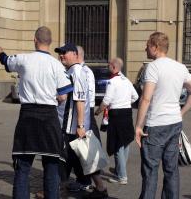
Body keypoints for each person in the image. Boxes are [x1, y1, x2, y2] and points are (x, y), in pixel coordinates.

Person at [0, 26, 72, 199]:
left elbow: (5, 60)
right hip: (49, 117)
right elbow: (64, 95)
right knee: (51, 164)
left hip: (28, 116)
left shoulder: (23, 59)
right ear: (50, 42)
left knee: (23, 166)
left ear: (35, 40)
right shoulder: (57, 66)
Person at [135, 32, 191, 199]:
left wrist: (138, 126)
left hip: (156, 125)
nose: (145, 48)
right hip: (174, 123)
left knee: (150, 171)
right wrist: (181, 112)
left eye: (147, 45)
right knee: (171, 169)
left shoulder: (153, 67)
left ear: (155, 47)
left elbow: (146, 98)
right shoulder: (180, 67)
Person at [55, 43, 108, 199]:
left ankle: (57, 190)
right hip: (71, 126)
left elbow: (80, 99)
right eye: (60, 53)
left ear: (75, 54)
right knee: (82, 158)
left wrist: (80, 125)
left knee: (62, 159)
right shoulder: (72, 70)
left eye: (64, 52)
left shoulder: (77, 71)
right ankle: (100, 187)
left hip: (71, 127)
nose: (61, 55)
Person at [95, 58, 138, 185]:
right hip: (127, 113)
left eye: (109, 65)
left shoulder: (112, 82)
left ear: (113, 67)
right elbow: (135, 96)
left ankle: (122, 176)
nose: (108, 67)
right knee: (125, 142)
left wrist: (97, 112)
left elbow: (107, 100)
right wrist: (125, 103)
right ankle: (120, 170)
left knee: (118, 145)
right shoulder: (127, 80)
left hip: (117, 115)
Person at [77, 45, 101, 141]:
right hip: (87, 106)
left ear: (77, 55)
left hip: (85, 107)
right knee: (90, 133)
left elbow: (87, 93)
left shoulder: (83, 71)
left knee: (89, 134)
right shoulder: (83, 70)